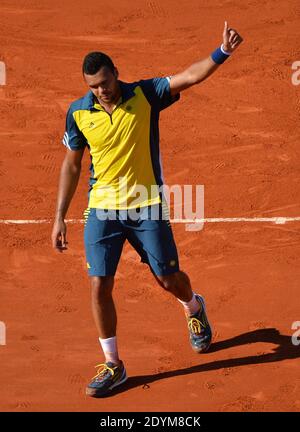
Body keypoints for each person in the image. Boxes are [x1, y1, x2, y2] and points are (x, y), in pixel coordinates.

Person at [51, 21, 243, 397]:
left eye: (105, 82)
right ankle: (114, 364)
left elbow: (188, 77)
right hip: (102, 209)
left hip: (146, 204)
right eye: (94, 86)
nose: (102, 90)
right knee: (98, 285)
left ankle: (193, 307)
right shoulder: (78, 113)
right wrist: (59, 215)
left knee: (168, 279)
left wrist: (222, 52)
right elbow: (72, 164)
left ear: (116, 74)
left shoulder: (145, 94)